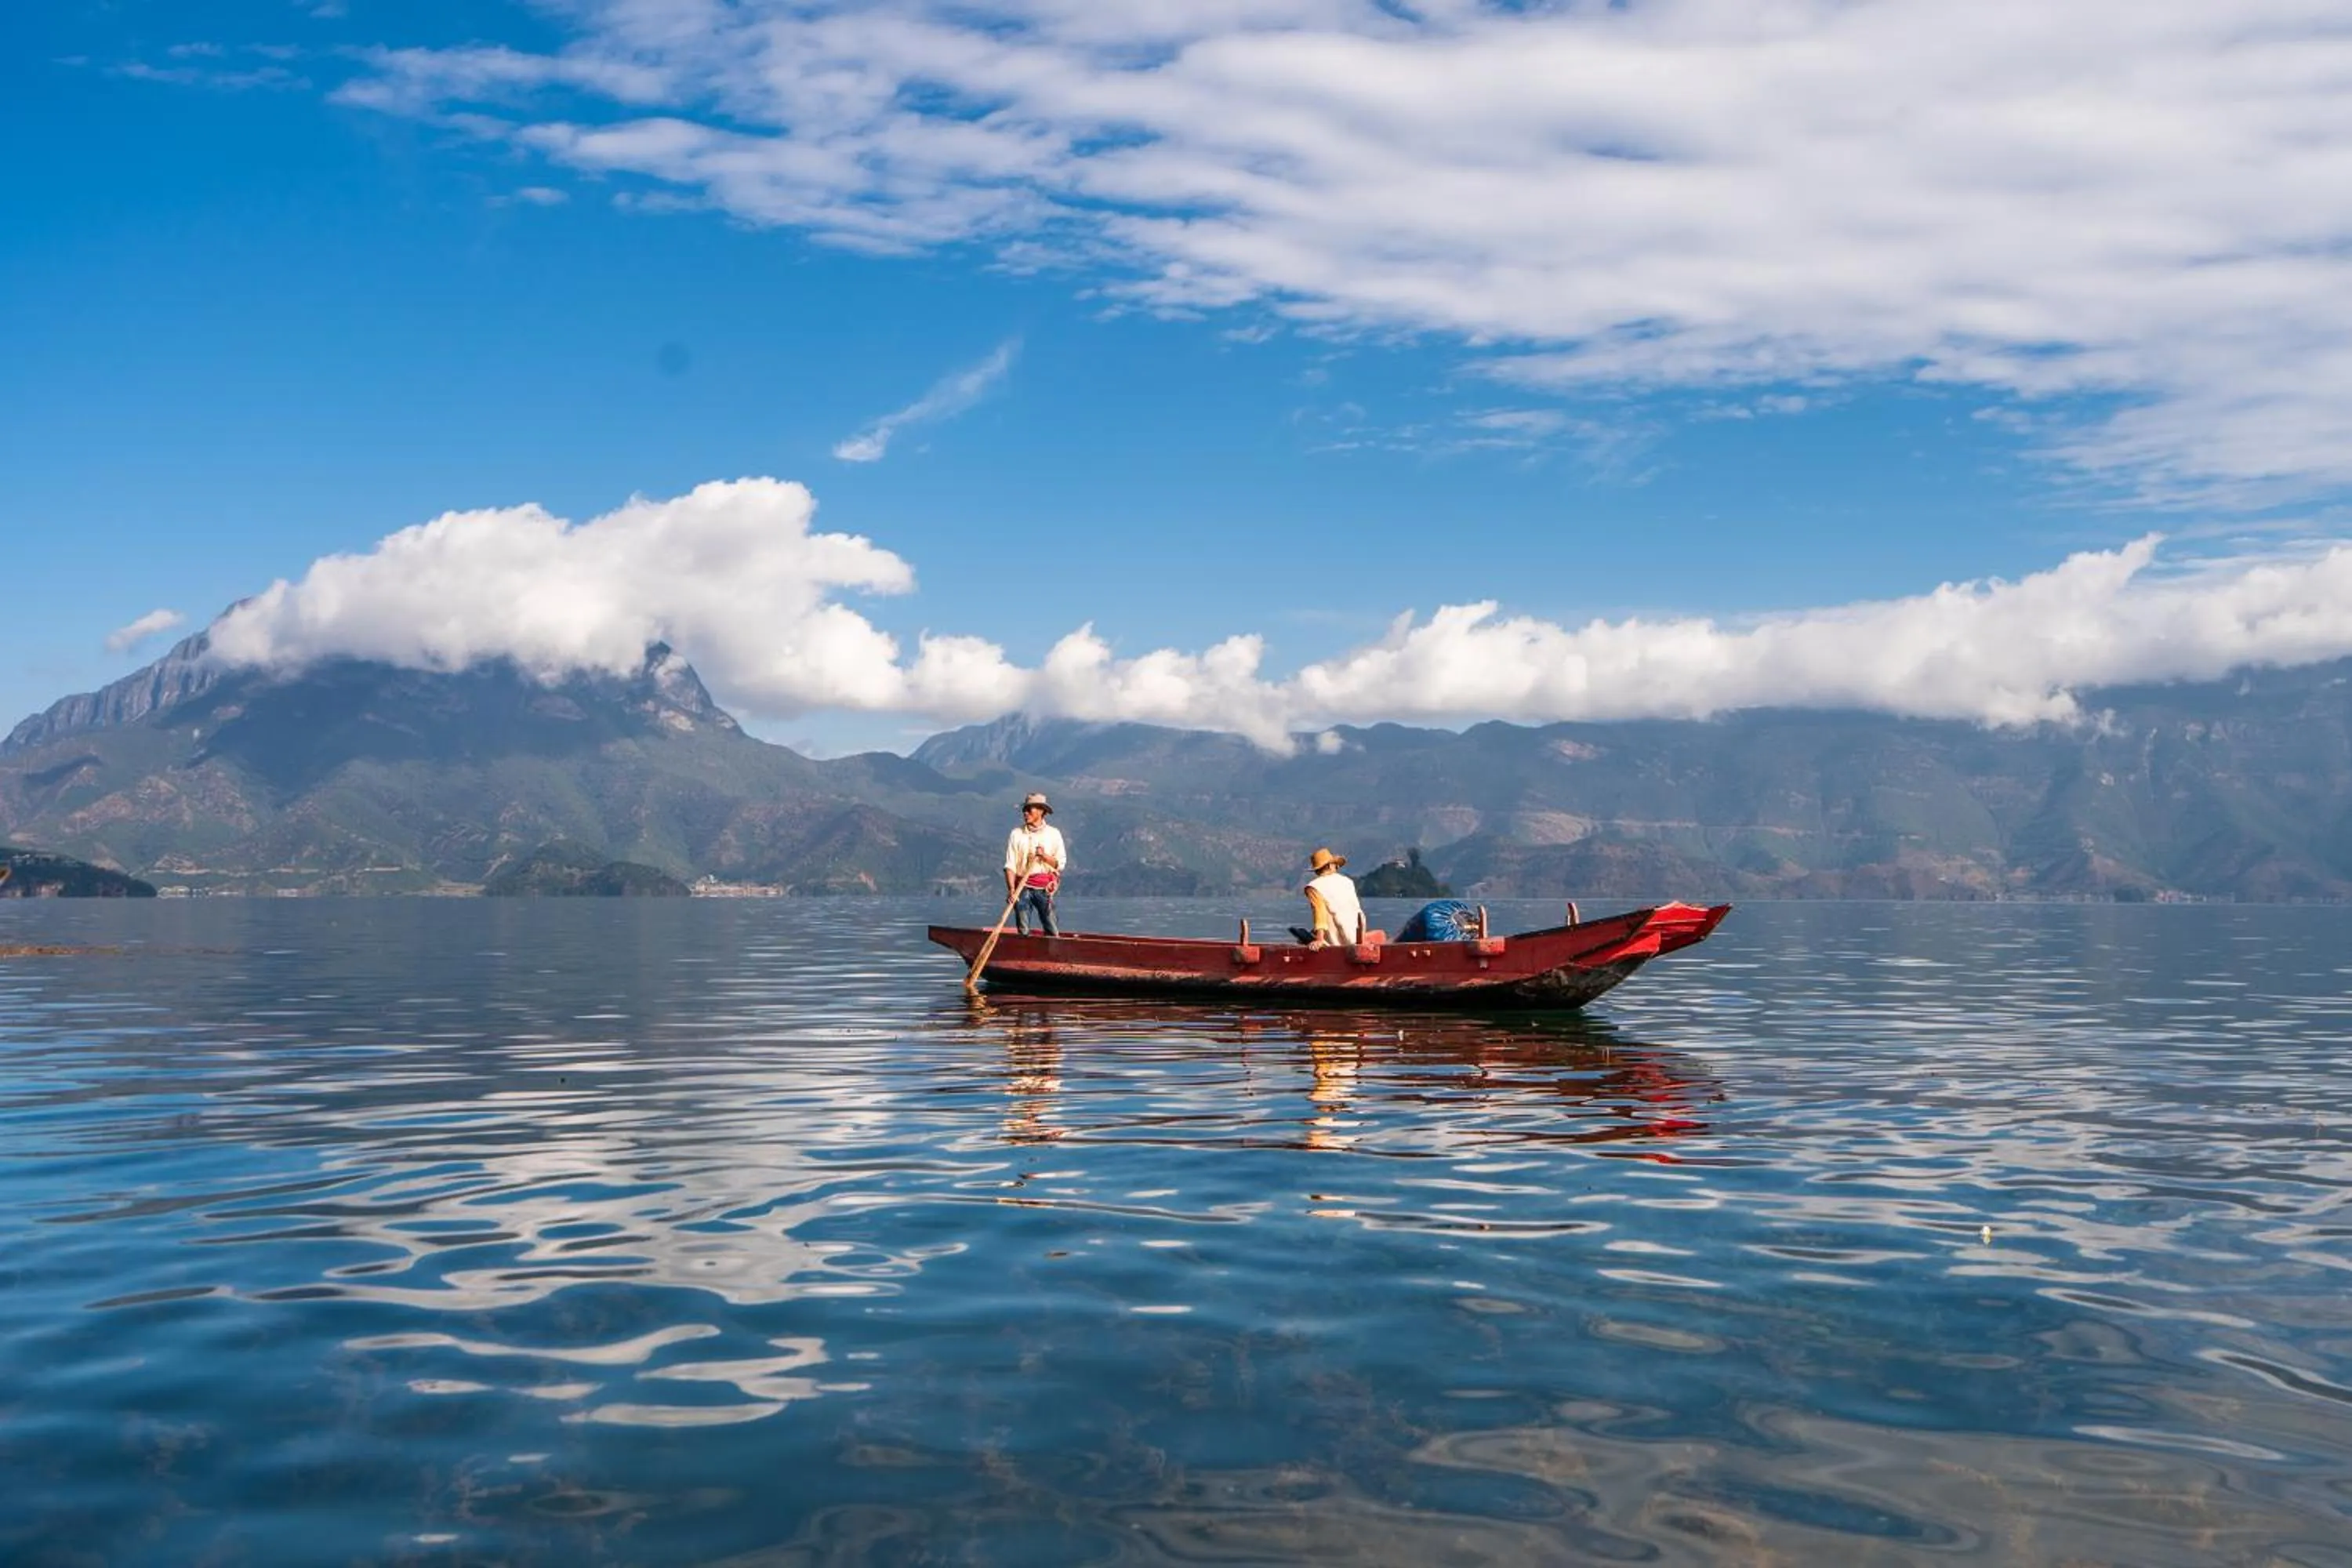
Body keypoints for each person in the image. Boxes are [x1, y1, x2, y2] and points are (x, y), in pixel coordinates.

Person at [1004, 792, 1066, 935]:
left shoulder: (1054, 834)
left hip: (1044, 888)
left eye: (1029, 809)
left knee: (1051, 928)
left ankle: (1053, 946)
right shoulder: (1016, 834)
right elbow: (1010, 865)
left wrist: (1044, 856)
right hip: (1021, 888)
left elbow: (1060, 864)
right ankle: (1024, 947)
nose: (1025, 813)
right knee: (1023, 930)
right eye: (1024, 810)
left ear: (1041, 811)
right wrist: (1012, 889)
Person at [1291, 847, 1364, 949]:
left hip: (1337, 942)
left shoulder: (1315, 886)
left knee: (1302, 936)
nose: (1337, 867)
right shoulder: (1348, 882)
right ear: (1330, 866)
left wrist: (1319, 940)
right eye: (1335, 864)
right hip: (1356, 937)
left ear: (1317, 870)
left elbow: (1319, 912)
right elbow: (1356, 910)